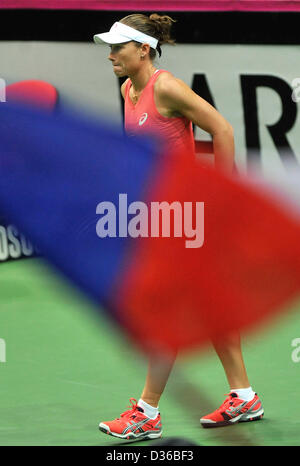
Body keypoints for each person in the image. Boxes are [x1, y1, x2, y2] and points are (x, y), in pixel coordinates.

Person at [93, 13, 264, 440]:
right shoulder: (128, 89)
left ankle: (147, 412)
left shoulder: (165, 87)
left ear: (143, 50)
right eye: (110, 47)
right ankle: (244, 397)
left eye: (119, 47)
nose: (111, 54)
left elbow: (221, 129)